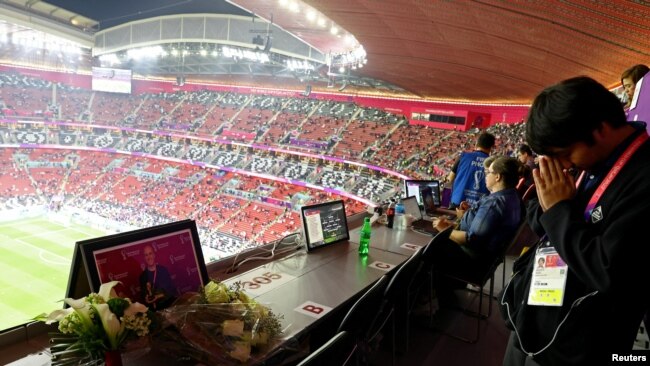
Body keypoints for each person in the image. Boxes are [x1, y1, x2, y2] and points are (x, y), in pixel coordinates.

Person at [500, 76, 650, 366]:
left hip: (576, 347)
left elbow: (610, 273)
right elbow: (537, 210)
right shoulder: (588, 161)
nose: (564, 165)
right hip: (533, 319)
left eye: (565, 154)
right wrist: (553, 209)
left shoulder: (642, 177)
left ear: (600, 129)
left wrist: (558, 211)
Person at [431, 156, 524, 302]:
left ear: (498, 177)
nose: (486, 175)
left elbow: (472, 239)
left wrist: (445, 230)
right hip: (485, 261)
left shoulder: (495, 203)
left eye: (489, 172)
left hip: (472, 263)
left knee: (430, 248)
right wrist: (468, 216)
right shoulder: (512, 197)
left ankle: (428, 297)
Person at [447, 132, 496, 209]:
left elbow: (450, 179)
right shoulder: (494, 163)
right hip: (479, 208)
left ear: (476, 144)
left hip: (457, 204)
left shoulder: (463, 156)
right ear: (491, 147)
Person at [139, 244, 177, 310]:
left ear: (154, 255)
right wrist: (146, 299)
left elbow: (172, 290)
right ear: (144, 258)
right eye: (146, 255)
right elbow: (143, 296)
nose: (149, 257)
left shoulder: (163, 270)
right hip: (154, 311)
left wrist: (158, 296)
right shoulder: (142, 277)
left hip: (169, 307)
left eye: (150, 253)